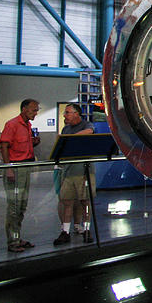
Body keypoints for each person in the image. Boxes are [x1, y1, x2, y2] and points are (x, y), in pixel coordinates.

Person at [0, 98, 40, 252]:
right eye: (34, 110)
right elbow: (4, 145)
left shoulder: (27, 126)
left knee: (21, 205)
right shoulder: (12, 125)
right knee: (14, 206)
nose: (36, 113)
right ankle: (12, 242)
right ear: (24, 109)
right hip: (16, 169)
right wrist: (8, 167)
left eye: (37, 110)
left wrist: (33, 143)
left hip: (25, 167)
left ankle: (17, 237)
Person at [54, 104, 95, 245]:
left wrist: (69, 138)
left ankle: (87, 230)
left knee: (85, 201)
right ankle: (65, 231)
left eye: (67, 113)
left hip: (83, 171)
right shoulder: (65, 128)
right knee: (67, 201)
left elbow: (89, 131)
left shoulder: (86, 125)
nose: (65, 115)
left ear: (76, 114)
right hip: (68, 171)